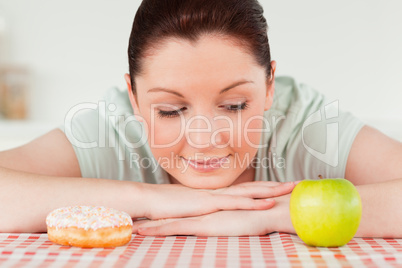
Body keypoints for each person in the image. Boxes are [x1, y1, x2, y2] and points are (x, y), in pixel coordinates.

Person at [0, 0, 401, 238]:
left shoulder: (304, 122)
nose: (204, 137)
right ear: (134, 97)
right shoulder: (111, 128)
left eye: (234, 106)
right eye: (171, 111)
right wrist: (157, 200)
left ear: (270, 86)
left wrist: (268, 216)